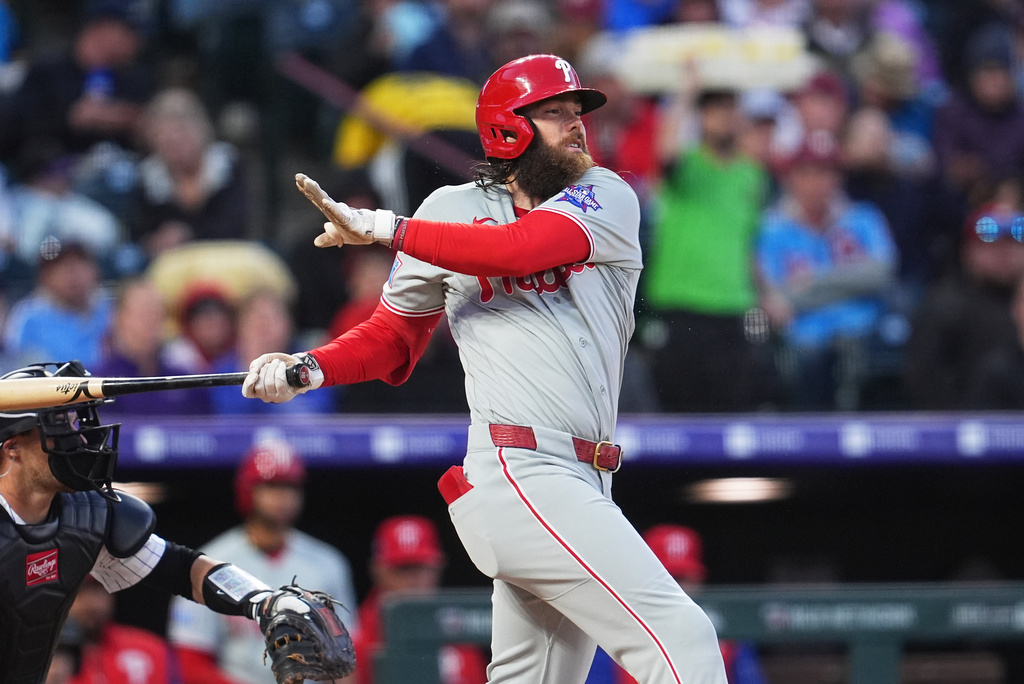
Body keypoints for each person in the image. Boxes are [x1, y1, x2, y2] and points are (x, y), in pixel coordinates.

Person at [243, 53, 727, 683]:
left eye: (576, 113)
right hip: (518, 470)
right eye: (554, 113)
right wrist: (308, 368)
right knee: (683, 641)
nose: (575, 126)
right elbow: (394, 337)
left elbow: (516, 250)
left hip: (585, 477)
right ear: (509, 128)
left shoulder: (607, 195)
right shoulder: (446, 211)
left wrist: (388, 228)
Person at [0, 360, 347, 684]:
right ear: (12, 447)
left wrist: (262, 601)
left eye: (74, 423)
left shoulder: (85, 515)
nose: (76, 439)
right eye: (57, 426)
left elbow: (183, 569)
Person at [167, 440, 358, 684]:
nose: (284, 497)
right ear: (248, 490)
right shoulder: (210, 565)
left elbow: (347, 659)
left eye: (291, 487)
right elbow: (190, 662)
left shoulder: (328, 563)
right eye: (272, 486)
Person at [757, 131, 898, 409]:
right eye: (808, 173)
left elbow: (881, 272)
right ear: (792, 178)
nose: (819, 183)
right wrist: (848, 283)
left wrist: (811, 283)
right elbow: (775, 295)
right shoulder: (771, 228)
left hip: (861, 336)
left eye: (827, 172)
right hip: (800, 345)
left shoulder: (863, 217)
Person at [586, 525, 766, 684]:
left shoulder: (729, 636)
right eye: (669, 577)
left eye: (684, 578)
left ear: (699, 579)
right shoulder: (609, 633)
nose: (678, 588)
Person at [353, 515, 487, 684]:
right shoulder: (357, 638)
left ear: (438, 567)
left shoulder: (457, 626)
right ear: (378, 571)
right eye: (402, 568)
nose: (413, 579)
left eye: (421, 567)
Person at [3, 238, 114, 368]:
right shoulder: (28, 318)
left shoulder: (111, 309)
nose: (73, 275)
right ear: (45, 276)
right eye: (62, 267)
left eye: (80, 264)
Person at [66, 575, 182, 684]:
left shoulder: (150, 649)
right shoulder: (52, 655)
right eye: (82, 592)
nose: (93, 604)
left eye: (101, 591)